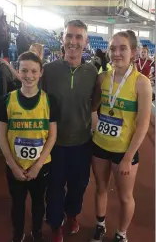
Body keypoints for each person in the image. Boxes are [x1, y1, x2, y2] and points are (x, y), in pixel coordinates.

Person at [91, 31, 152, 242]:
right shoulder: (102, 78)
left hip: (124, 151)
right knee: (100, 188)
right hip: (99, 144)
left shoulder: (141, 83)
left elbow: (143, 124)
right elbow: (93, 106)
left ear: (133, 52)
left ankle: (121, 233)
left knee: (125, 196)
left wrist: (128, 157)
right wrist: (92, 122)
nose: (116, 53)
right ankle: (100, 225)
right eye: (113, 48)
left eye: (123, 48)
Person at [42, 20, 97, 242]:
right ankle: (56, 224)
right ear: (62, 39)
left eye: (78, 37)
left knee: (79, 185)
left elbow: (94, 103)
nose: (73, 42)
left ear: (85, 42)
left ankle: (72, 214)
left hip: (82, 143)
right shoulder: (48, 71)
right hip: (54, 143)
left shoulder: (93, 72)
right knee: (54, 187)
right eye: (69, 36)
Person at [0, 51, 57, 242]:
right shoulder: (7, 100)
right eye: (24, 70)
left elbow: (52, 135)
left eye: (33, 71)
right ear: (18, 71)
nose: (29, 75)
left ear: (40, 73)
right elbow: (1, 135)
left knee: (39, 203)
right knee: (17, 204)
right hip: (15, 165)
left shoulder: (49, 101)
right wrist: (12, 165)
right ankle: (18, 233)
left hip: (41, 166)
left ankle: (37, 232)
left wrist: (38, 165)